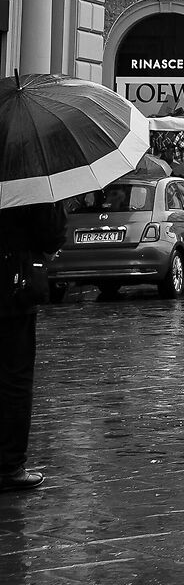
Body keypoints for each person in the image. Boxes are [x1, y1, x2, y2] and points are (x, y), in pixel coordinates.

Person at [0, 203, 62, 491]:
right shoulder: (28, 173)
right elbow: (51, 234)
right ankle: (9, 465)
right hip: (12, 287)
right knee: (15, 377)